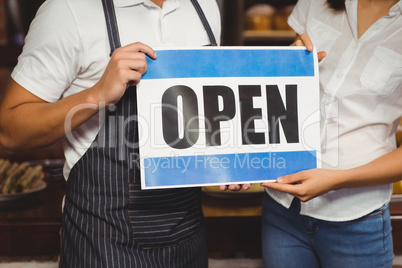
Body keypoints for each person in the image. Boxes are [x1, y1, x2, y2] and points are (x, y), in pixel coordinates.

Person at [0, 0, 247, 267]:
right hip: (102, 243)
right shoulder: (67, 10)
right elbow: (10, 130)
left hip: (189, 240)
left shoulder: (205, 6)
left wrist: (226, 158)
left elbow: (199, 114)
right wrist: (97, 94)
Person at [261, 0, 402, 267]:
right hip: (281, 206)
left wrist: (337, 179)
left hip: (357, 219)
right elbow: (286, 94)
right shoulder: (316, 2)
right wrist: (289, 63)